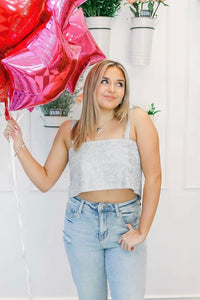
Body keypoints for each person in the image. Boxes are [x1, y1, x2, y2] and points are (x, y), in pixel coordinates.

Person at [4, 59, 161, 300]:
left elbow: (154, 178)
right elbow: (45, 181)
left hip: (125, 223)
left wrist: (142, 232)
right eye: (105, 81)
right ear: (90, 86)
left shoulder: (137, 120)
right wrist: (19, 145)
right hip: (82, 225)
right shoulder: (70, 130)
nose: (112, 89)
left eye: (120, 84)